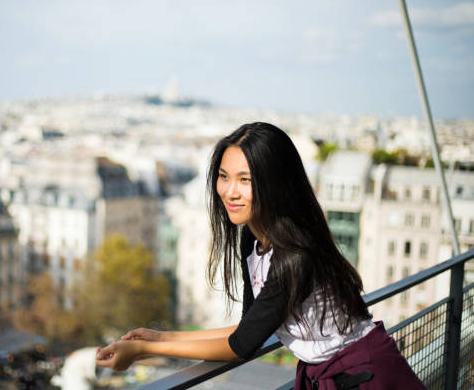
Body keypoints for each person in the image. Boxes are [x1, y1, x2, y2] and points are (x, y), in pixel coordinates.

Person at [96, 122, 426, 389]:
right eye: (224, 177)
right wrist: (162, 337)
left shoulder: (294, 255)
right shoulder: (252, 238)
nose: (229, 191)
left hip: (364, 376)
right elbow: (248, 327)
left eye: (245, 180)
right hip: (335, 373)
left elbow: (242, 345)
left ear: (275, 184)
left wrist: (143, 349)